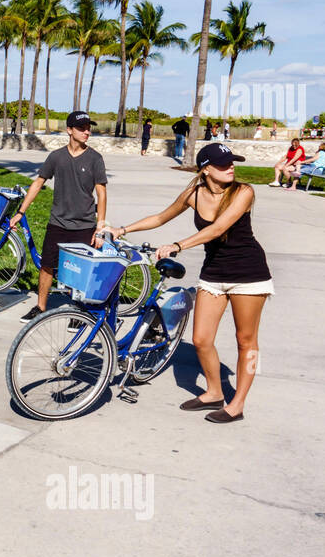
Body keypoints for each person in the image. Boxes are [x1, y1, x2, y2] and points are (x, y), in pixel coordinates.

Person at [111, 142, 271, 424]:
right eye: (223, 164)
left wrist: (178, 245)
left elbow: (218, 228)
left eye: (232, 162)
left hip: (249, 274)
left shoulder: (244, 192)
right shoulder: (193, 194)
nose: (231, 166)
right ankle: (213, 392)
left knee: (246, 341)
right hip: (214, 273)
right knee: (200, 339)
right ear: (206, 169)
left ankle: (238, 404)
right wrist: (122, 230)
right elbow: (161, 216)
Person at [10, 110, 108, 320]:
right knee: (47, 265)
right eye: (81, 128)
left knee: (79, 271)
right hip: (58, 223)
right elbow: (38, 183)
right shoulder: (56, 157)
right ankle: (41, 306)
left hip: (84, 225)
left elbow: (101, 191)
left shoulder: (95, 159)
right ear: (69, 130)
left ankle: (78, 312)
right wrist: (20, 212)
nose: (87, 132)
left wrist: (100, 225)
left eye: (88, 128)